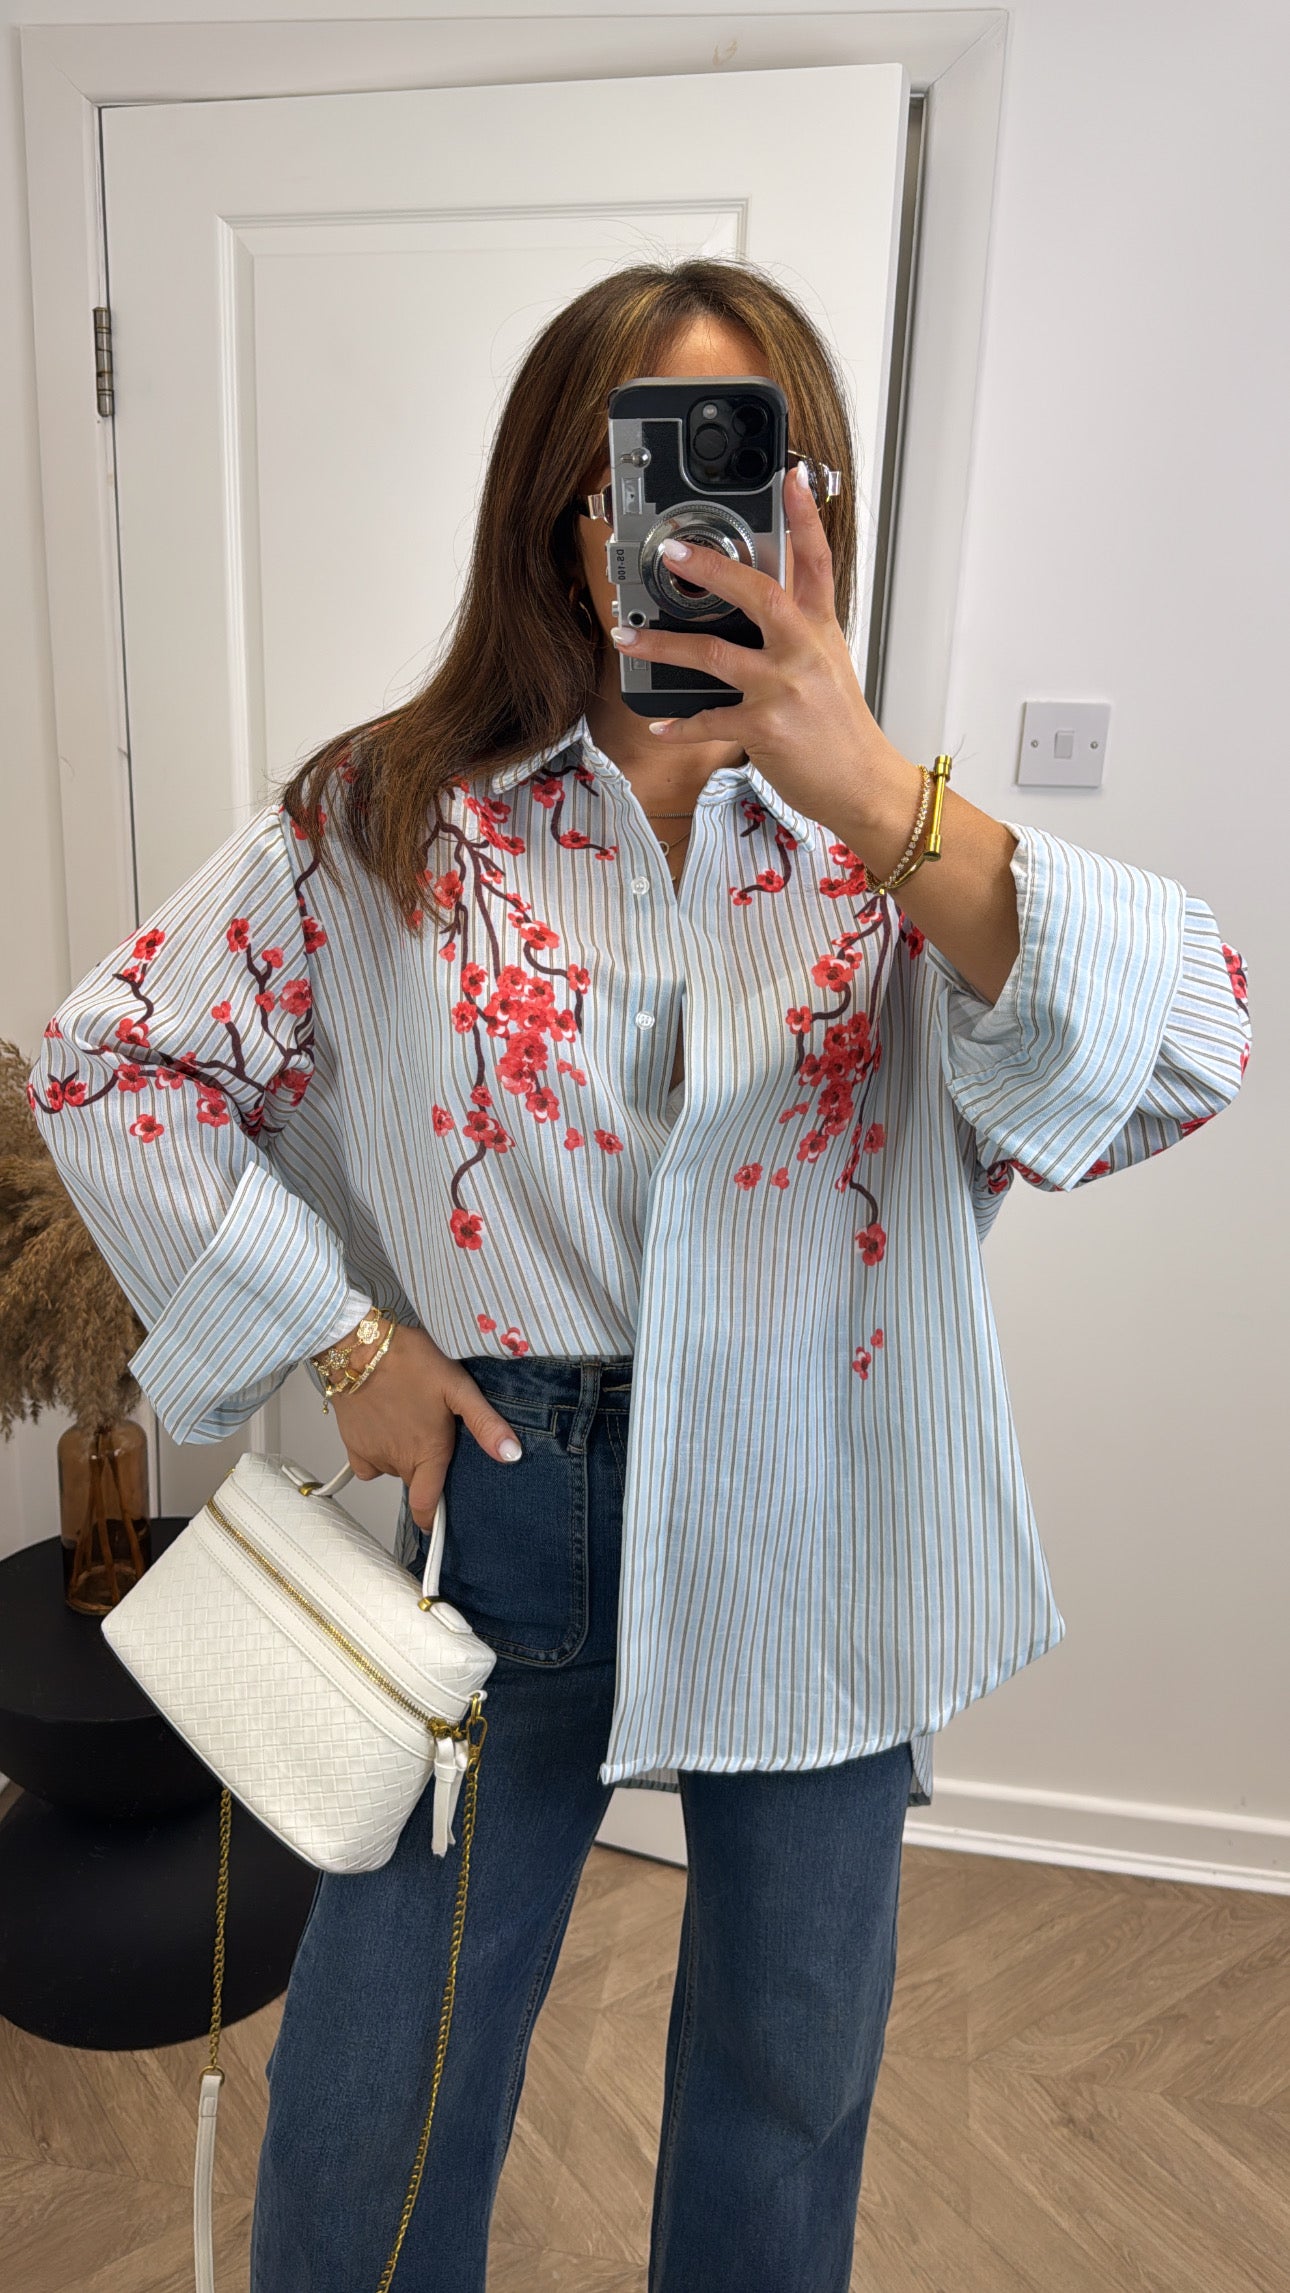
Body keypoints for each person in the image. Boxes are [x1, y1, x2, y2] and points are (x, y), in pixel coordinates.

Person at [27, 258, 1251, 2293]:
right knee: (382, 2080)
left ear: (815, 509)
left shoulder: (898, 847)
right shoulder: (388, 817)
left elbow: (1196, 1042)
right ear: (562, 507)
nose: (694, 532)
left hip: (821, 1491)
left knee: (788, 2064)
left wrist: (875, 788)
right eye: (643, 476)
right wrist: (342, 1336)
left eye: (754, 473)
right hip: (506, 1494)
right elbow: (108, 1059)